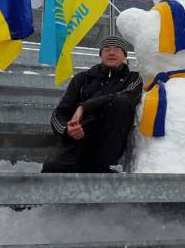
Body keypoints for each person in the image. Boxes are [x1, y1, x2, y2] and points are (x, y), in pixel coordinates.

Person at [41, 36, 143, 173]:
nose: (111, 53)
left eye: (117, 49)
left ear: (124, 55)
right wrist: (67, 129)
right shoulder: (82, 79)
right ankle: (93, 168)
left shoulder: (134, 78)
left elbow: (126, 97)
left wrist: (85, 106)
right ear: (100, 54)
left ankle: (98, 165)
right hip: (78, 138)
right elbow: (60, 113)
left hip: (108, 140)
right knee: (52, 168)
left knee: (121, 102)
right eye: (106, 49)